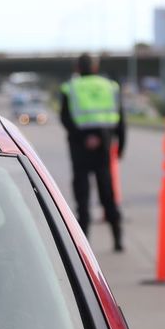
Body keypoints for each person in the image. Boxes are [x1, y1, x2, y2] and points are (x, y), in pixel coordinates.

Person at [59, 53, 126, 251]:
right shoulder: (110, 86)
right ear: (95, 68)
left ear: (77, 68)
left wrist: (84, 138)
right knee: (108, 193)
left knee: (82, 196)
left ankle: (83, 244)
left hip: (79, 148)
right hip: (104, 146)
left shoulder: (70, 88)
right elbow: (121, 120)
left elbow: (65, 118)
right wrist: (120, 146)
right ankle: (118, 241)